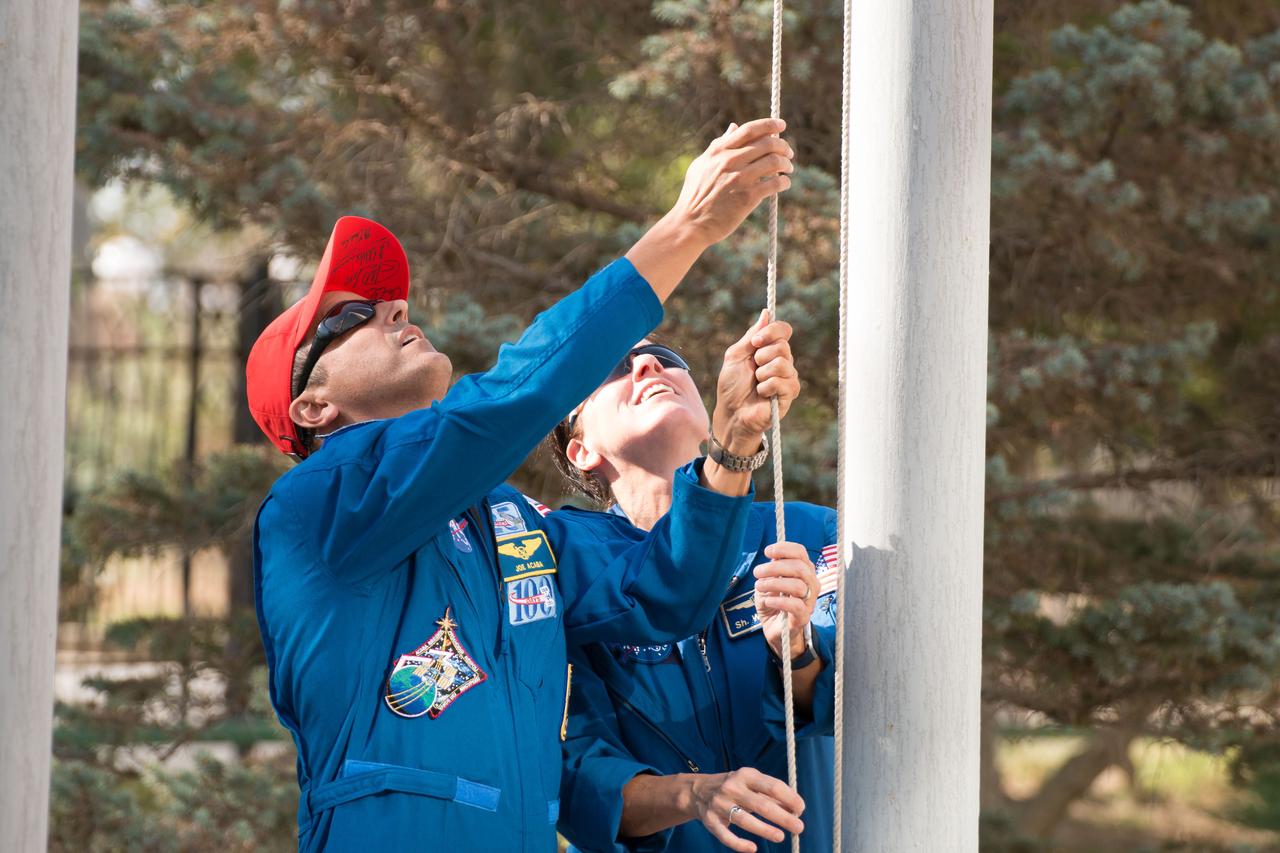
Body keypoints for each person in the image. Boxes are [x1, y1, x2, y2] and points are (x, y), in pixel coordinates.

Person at [245, 118, 798, 852]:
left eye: (392, 304)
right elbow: (508, 400)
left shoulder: (506, 517)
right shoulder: (318, 502)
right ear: (312, 407)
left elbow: (663, 589)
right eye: (350, 318)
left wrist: (732, 439)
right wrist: (687, 225)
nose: (396, 311)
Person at [549, 323, 838, 853]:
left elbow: (863, 705)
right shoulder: (566, 570)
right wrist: (695, 795)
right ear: (580, 449)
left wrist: (795, 651)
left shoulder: (808, 533)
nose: (648, 365)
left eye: (663, 354)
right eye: (612, 367)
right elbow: (580, 781)